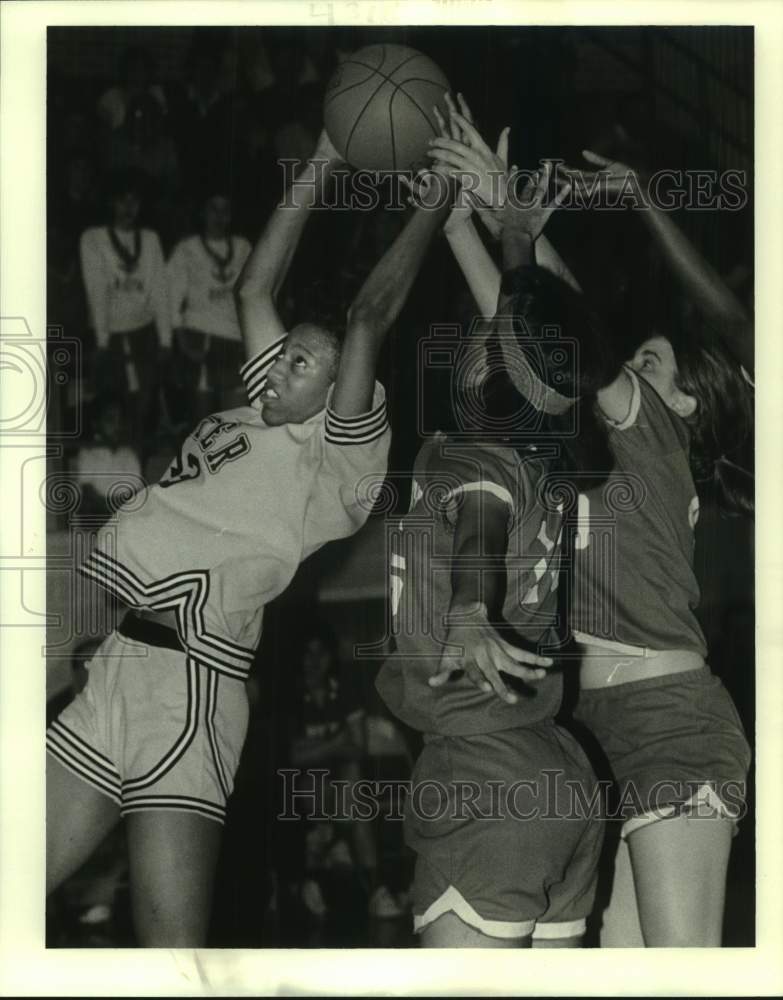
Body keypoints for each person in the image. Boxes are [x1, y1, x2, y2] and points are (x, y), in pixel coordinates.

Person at [46, 127, 452, 947]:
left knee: (173, 953)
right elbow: (253, 287)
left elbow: (371, 313)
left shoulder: (337, 454)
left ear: (342, 387)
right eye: (288, 352)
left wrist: (435, 206)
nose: (281, 365)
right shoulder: (256, 412)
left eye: (303, 362)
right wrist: (326, 160)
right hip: (114, 664)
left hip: (187, 685)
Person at [428, 103, 753, 947]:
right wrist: (468, 223)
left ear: (685, 400)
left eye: (649, 361)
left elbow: (561, 323)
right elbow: (540, 326)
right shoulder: (605, 446)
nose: (628, 368)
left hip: (667, 718)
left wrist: (502, 217)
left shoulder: (652, 426)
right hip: (591, 727)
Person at [375, 156, 618, 949]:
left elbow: (479, 524)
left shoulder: (471, 458)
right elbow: (525, 330)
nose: (477, 333)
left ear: (489, 371)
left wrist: (470, 608)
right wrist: (506, 234)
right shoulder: (543, 457)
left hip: (483, 776)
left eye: (488, 336)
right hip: (559, 779)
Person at [79, 169, 171, 454]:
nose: (129, 208)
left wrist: (165, 339)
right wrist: (103, 343)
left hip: (144, 333)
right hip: (110, 337)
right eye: (122, 201)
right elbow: (97, 291)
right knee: (110, 412)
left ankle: (137, 475)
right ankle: (108, 480)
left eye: (134, 201)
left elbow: (159, 290)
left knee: (142, 409)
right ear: (110, 203)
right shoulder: (93, 239)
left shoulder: (151, 239)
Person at [167, 191, 253, 424]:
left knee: (236, 422)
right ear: (202, 213)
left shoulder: (243, 246)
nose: (219, 216)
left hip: (235, 339)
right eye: (213, 209)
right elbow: (172, 297)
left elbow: (253, 293)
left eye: (225, 210)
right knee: (203, 424)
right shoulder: (187, 249)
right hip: (201, 336)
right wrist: (181, 340)